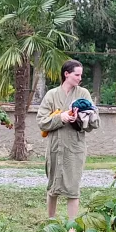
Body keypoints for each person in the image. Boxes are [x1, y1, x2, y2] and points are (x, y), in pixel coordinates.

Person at [37, 59, 100, 222]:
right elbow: (41, 121)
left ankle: (72, 227)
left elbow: (94, 122)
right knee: (53, 187)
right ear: (66, 74)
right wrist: (61, 117)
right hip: (55, 147)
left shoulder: (83, 94)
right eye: (77, 74)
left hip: (75, 147)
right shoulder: (51, 95)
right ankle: (51, 223)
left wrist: (79, 119)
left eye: (81, 75)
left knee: (73, 188)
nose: (80, 78)